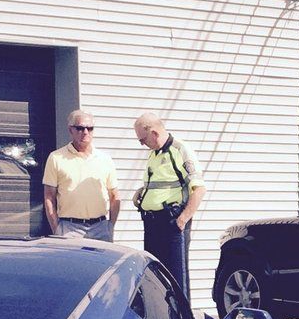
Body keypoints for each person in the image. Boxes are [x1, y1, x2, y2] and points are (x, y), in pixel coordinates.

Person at [133, 112, 205, 296]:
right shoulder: (154, 154)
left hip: (172, 222)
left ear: (154, 133)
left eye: (142, 139)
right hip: (152, 223)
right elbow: (163, 183)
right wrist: (142, 193)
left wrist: (182, 220)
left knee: (176, 280)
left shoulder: (180, 150)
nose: (141, 144)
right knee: (154, 276)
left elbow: (199, 189)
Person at [41, 108, 120, 240]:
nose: (85, 132)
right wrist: (57, 228)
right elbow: (49, 197)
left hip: (100, 228)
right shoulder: (56, 158)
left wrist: (110, 226)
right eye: (80, 128)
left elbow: (114, 195)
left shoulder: (105, 159)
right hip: (69, 228)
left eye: (90, 128)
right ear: (70, 129)